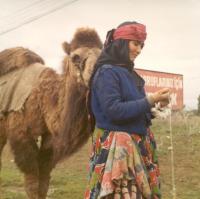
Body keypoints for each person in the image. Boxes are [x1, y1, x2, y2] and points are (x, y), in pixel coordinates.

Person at [84, 21, 170, 199]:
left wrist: (155, 106)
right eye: (135, 44)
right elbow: (114, 111)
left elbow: (137, 109)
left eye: (141, 46)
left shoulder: (128, 73)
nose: (139, 50)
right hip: (117, 151)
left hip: (138, 145)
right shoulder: (107, 73)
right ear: (121, 43)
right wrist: (150, 100)